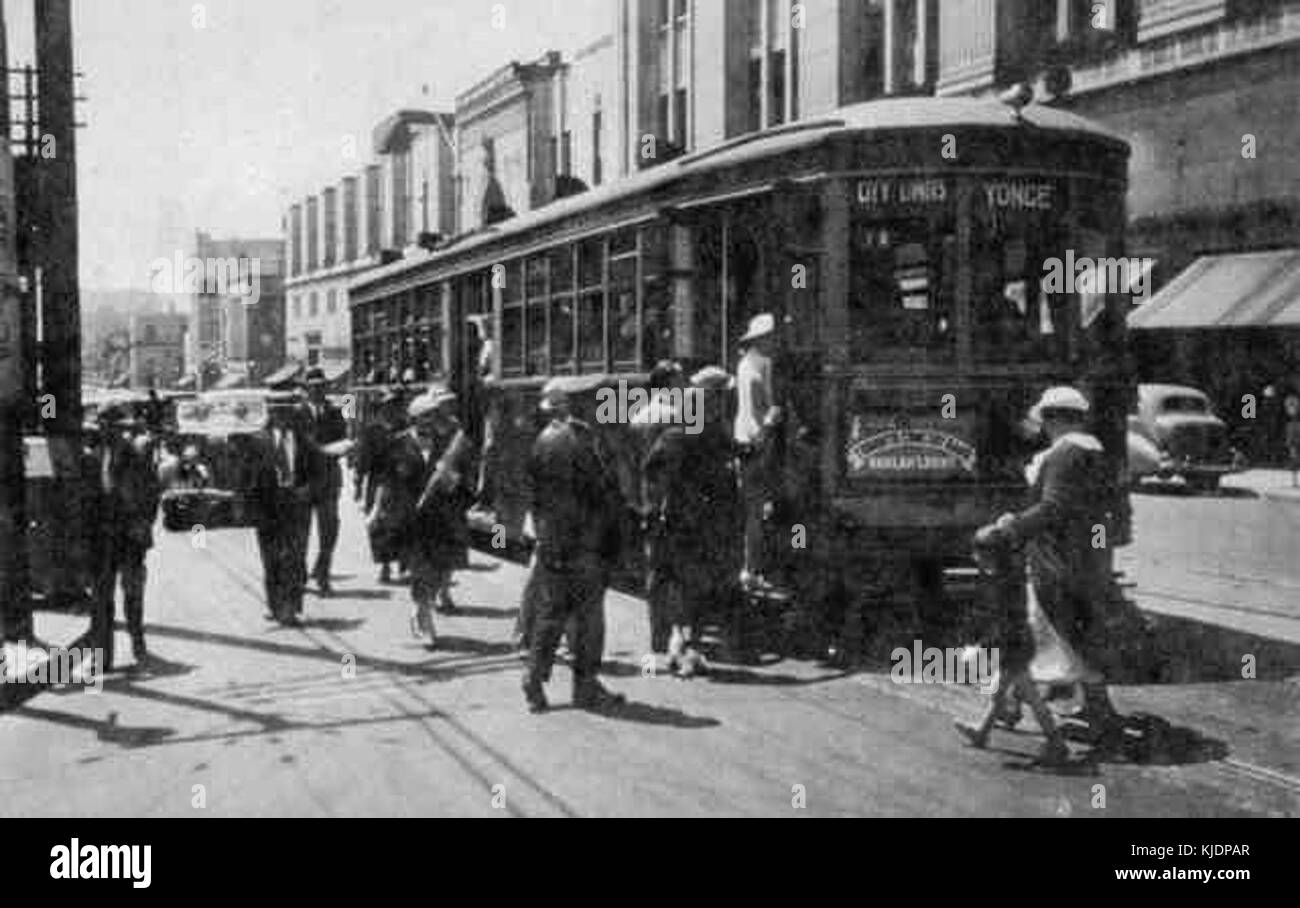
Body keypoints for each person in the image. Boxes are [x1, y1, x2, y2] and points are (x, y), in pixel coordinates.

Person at [973, 386, 1122, 740]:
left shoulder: (1065, 456)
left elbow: (1054, 507)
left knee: (1040, 638)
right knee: (1072, 640)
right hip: (1084, 557)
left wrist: (1012, 527)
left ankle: (1006, 709)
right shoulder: (1093, 452)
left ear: (1053, 419)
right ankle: (1099, 713)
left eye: (1047, 420)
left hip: (1055, 560)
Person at [522, 376, 627, 713]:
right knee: (589, 618)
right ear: (584, 403)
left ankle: (534, 678)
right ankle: (586, 687)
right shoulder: (587, 441)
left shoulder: (544, 439)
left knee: (552, 612)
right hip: (586, 541)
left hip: (553, 539)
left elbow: (535, 493)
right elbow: (602, 493)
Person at [643, 366, 739, 677]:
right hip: (694, 522)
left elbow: (650, 475)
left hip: (674, 521)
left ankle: (674, 646)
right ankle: (685, 649)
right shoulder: (704, 438)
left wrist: (653, 509)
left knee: (674, 584)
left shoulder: (675, 437)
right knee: (692, 585)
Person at [389, 387, 474, 647]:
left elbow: (462, 480)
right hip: (411, 521)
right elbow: (390, 482)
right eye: (425, 416)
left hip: (439, 519)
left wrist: (451, 479)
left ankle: (423, 607)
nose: (430, 421)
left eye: (433, 416)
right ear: (414, 419)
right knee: (420, 572)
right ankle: (424, 618)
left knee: (439, 571)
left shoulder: (447, 444)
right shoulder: (399, 443)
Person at [90, 404, 162, 672]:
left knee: (133, 594)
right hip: (103, 538)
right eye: (102, 425)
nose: (106, 430)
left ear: (121, 428)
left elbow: (151, 494)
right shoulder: (93, 456)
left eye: (112, 426)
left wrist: (143, 525)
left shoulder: (137, 455)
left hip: (130, 536)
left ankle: (138, 641)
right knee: (101, 599)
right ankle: (103, 657)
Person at [631, 359, 686, 654]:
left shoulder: (639, 416)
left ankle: (657, 637)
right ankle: (677, 631)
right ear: (668, 385)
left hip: (647, 503)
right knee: (675, 569)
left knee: (654, 569)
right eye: (679, 382)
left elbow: (630, 465)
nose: (684, 385)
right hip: (670, 502)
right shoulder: (674, 417)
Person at [733, 313, 783, 591]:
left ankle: (749, 568)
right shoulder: (764, 364)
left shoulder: (744, 363)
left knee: (751, 510)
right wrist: (774, 418)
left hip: (744, 440)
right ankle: (755, 569)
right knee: (760, 510)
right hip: (761, 443)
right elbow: (770, 408)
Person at [255, 401, 312, 626]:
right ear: (271, 413)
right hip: (267, 508)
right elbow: (248, 474)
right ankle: (275, 604)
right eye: (278, 412)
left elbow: (316, 470)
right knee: (271, 560)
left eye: (287, 412)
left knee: (294, 557)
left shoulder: (303, 440)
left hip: (295, 506)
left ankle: (290, 607)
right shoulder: (259, 441)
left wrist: (308, 489)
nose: (284, 417)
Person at [301, 367, 348, 596]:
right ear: (306, 389)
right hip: (303, 481)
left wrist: (336, 450)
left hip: (328, 479)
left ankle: (323, 574)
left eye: (321, 386)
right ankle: (299, 575)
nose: (318, 390)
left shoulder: (336, 412)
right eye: (313, 387)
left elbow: (342, 439)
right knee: (300, 532)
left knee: (329, 530)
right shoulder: (297, 414)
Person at [356, 389, 406, 583]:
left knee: (401, 522)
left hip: (400, 481)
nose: (392, 408)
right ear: (383, 407)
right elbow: (363, 457)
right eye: (389, 405)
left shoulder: (404, 427)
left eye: (396, 404)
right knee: (378, 524)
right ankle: (384, 565)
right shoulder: (372, 429)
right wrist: (359, 482)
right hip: (378, 481)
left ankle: (403, 560)